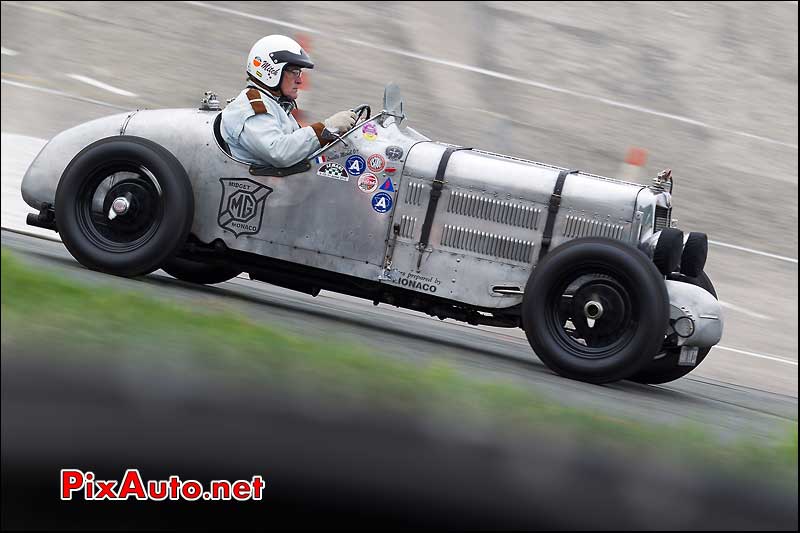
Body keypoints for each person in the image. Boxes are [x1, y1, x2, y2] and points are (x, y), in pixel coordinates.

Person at [220, 34, 356, 167]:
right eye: (294, 72)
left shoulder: (276, 103)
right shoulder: (251, 108)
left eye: (299, 73)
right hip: (261, 185)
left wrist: (338, 137)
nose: (300, 80)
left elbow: (299, 148)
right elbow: (279, 153)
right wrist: (327, 128)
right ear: (272, 71)